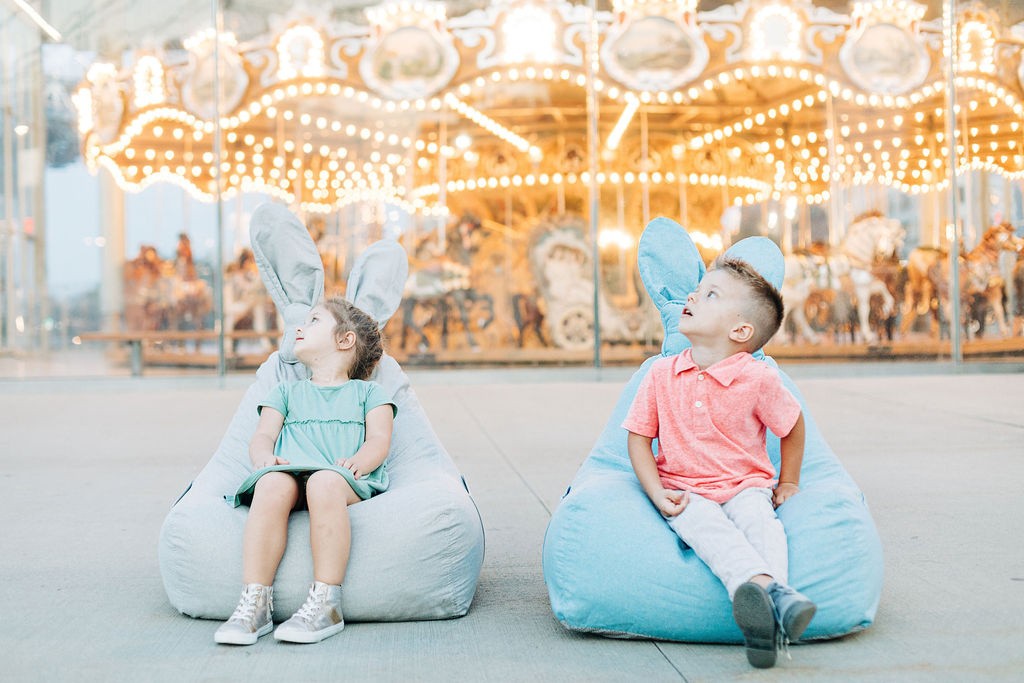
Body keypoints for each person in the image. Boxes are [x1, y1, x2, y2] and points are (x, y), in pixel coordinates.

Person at [622, 257, 815, 669]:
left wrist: (789, 481)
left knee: (762, 525)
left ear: (740, 331)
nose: (692, 296)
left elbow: (793, 424)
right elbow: (638, 438)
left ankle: (765, 612)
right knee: (708, 530)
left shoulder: (758, 378)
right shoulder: (660, 374)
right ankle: (775, 597)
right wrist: (657, 492)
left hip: (746, 485)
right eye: (698, 289)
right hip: (686, 489)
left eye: (711, 294)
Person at [215, 297, 396, 646]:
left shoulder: (369, 393)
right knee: (271, 485)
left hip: (340, 476)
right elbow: (263, 435)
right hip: (291, 472)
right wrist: (264, 458)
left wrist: (360, 462)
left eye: (313, 321)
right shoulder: (285, 391)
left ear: (345, 340)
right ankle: (255, 601)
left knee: (323, 483)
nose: (299, 327)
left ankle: (326, 602)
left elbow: (379, 439)